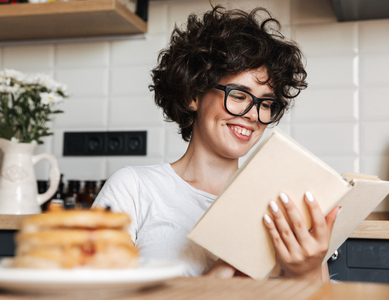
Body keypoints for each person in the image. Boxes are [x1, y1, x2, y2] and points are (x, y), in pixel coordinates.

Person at [92, 5, 340, 281]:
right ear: (193, 95)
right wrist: (222, 272)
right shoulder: (134, 189)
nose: (254, 115)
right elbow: (94, 291)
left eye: (266, 103)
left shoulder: (284, 203)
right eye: (238, 95)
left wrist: (306, 272)